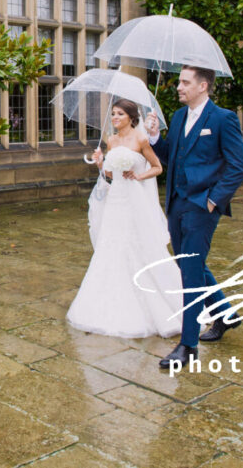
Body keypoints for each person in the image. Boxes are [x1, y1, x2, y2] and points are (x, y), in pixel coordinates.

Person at [144, 65, 243, 369]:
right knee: (191, 265)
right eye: (179, 82)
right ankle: (226, 314)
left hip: (202, 209)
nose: (179, 87)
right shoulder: (178, 118)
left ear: (203, 86)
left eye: (185, 82)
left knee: (190, 275)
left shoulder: (222, 118)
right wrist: (154, 138)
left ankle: (188, 346)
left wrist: (214, 201)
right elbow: (170, 155)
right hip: (176, 205)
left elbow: (238, 166)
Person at [66, 99, 184, 339]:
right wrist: (101, 162)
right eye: (113, 114)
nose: (115, 118)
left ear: (131, 117)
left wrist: (139, 175)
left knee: (136, 245)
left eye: (120, 114)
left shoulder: (140, 139)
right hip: (115, 201)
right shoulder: (112, 140)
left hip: (134, 200)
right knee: (111, 247)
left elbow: (157, 167)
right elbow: (109, 175)